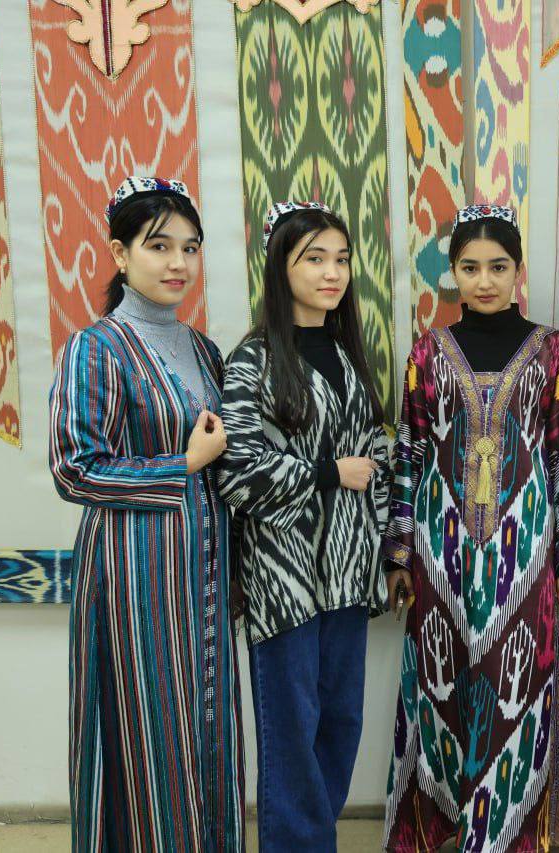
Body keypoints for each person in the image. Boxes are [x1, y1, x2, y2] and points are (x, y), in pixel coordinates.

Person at [382, 204, 559, 851]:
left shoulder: (552, 351)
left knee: (522, 679)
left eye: (498, 267)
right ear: (452, 272)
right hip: (441, 554)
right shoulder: (428, 353)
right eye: (470, 267)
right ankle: (449, 821)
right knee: (443, 682)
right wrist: (400, 552)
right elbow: (409, 452)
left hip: (525, 553)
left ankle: (517, 827)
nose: (484, 280)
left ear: (517, 271)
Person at [48, 176, 244, 850]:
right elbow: (75, 467)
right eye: (158, 246)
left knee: (207, 727)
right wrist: (181, 464)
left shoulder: (205, 350)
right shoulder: (96, 348)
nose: (177, 263)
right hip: (133, 579)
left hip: (204, 574)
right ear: (119, 253)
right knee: (145, 731)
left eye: (189, 247)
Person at [217, 202, 390, 851]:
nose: (332, 272)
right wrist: (328, 472)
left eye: (341, 259)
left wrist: (388, 552)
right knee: (292, 732)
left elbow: (374, 458)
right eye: (314, 258)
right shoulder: (253, 359)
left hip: (347, 574)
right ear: (280, 267)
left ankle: (313, 839)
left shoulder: (349, 354)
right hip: (283, 580)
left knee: (341, 724)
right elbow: (236, 469)